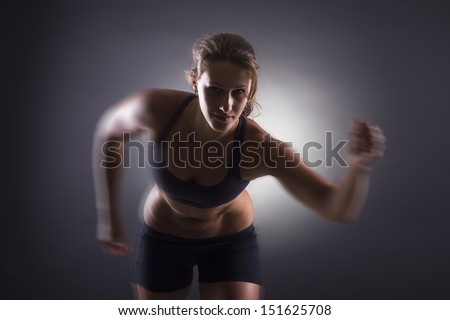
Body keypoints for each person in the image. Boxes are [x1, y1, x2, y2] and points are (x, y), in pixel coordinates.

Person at [92, 32, 385, 300]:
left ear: (250, 92)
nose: (226, 105)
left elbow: (336, 207)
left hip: (228, 245)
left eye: (238, 92)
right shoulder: (156, 110)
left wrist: (358, 166)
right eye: (215, 90)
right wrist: (109, 215)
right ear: (195, 81)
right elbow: (110, 132)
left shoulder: (257, 148)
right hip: (162, 240)